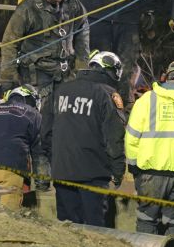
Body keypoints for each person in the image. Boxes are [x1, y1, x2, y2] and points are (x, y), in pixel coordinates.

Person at [0, 0, 90, 186]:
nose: (57, 0)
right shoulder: (29, 8)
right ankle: (42, 179)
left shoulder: (72, 2)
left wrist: (82, 67)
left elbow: (83, 30)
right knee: (42, 125)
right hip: (37, 73)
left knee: (67, 122)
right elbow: (10, 42)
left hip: (65, 72)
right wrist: (9, 79)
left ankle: (66, 172)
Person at [51, 51, 126, 226]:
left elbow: (46, 131)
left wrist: (53, 161)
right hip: (94, 173)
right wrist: (118, 170)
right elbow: (114, 136)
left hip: (62, 170)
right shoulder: (107, 94)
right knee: (94, 229)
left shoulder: (62, 90)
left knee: (67, 227)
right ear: (108, 69)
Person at [125, 60, 174, 241]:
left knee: (147, 220)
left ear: (167, 77)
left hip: (150, 174)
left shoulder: (147, 100)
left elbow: (132, 137)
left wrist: (134, 167)